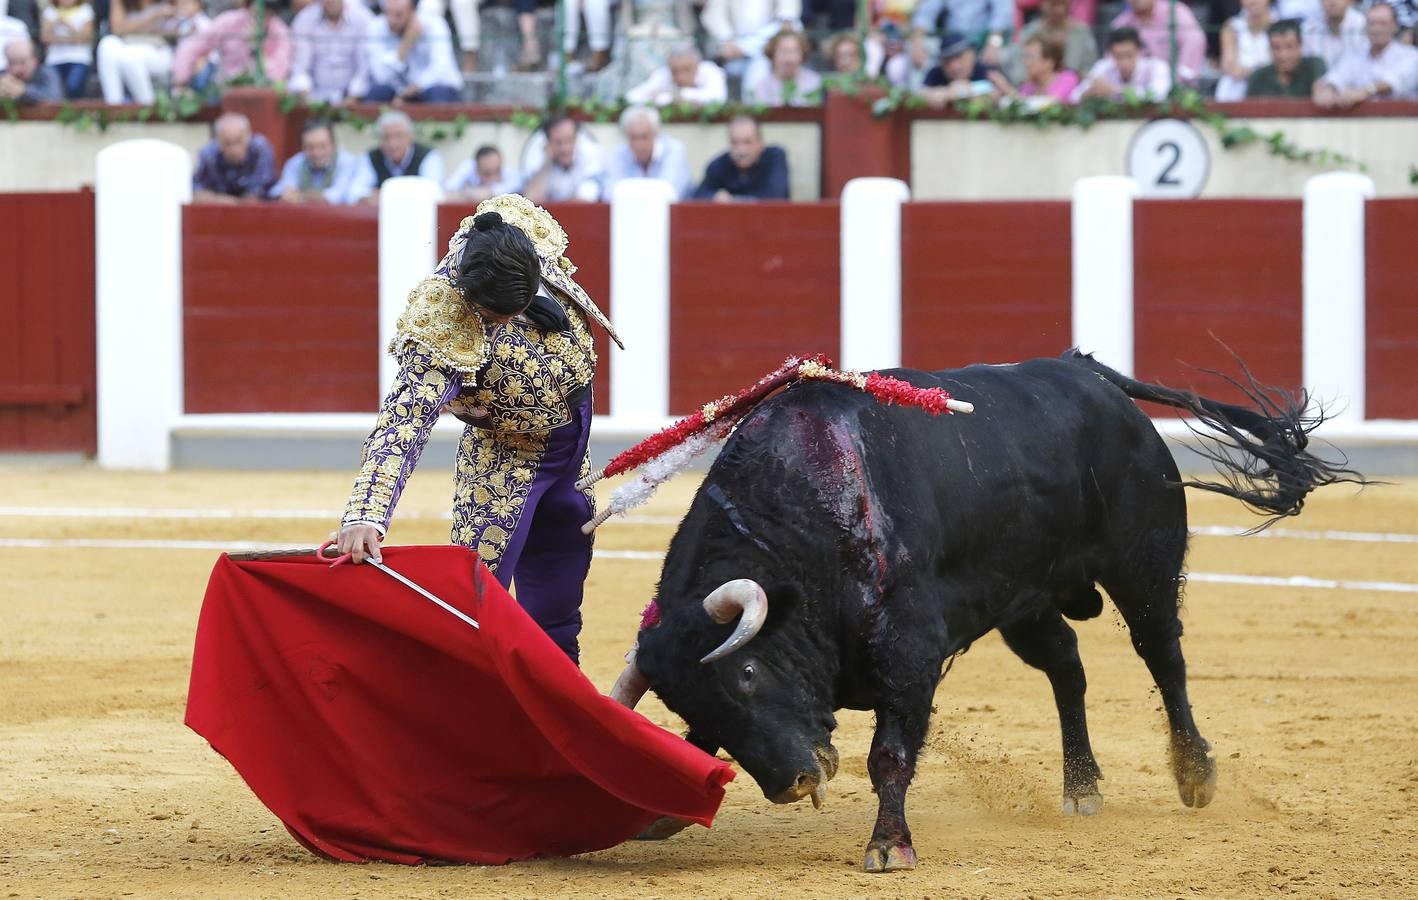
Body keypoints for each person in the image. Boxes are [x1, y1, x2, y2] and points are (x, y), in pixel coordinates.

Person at [335, 193, 623, 664]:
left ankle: (552, 725)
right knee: (474, 618)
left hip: (573, 461)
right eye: (497, 317)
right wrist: (365, 513)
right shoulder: (442, 322)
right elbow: (403, 422)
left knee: (558, 621)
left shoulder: (514, 232)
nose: (510, 320)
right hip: (505, 470)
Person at [172, 0, 292, 91]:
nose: (260, 15)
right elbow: (192, 46)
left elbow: (277, 75)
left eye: (267, 12)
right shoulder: (231, 21)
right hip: (226, 91)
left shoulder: (280, 32)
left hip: (262, 95)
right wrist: (181, 78)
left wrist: (256, 48)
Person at [1313, 1, 1418, 105]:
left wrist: (1365, 91)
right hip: (1361, 120)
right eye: (1372, 23)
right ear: (1365, 26)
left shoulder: (1411, 56)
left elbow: (1394, 81)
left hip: (1401, 119)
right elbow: (1336, 77)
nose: (1377, 29)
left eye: (1383, 23)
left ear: (1395, 26)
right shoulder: (1356, 55)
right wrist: (1328, 89)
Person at [363, 0, 463, 104]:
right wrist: (405, 44)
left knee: (439, 94)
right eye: (387, 13)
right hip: (397, 90)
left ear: (412, 12)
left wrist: (413, 89)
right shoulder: (377, 26)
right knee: (377, 92)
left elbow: (441, 68)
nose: (392, 20)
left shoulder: (434, 24)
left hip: (431, 88)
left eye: (398, 15)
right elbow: (381, 76)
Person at [348, 109, 446, 205]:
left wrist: (385, 195)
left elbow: (434, 192)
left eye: (398, 136)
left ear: (409, 137)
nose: (392, 143)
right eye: (386, 137)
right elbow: (354, 193)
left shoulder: (429, 156)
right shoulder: (370, 157)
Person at [288, 0, 373, 103]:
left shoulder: (363, 18)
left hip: (356, 98)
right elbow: (300, 68)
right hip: (313, 96)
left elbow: (364, 69)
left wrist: (352, 97)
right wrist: (307, 98)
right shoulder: (304, 19)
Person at [601, 105, 692, 201]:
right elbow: (610, 194)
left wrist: (628, 192)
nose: (639, 144)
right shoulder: (620, 153)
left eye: (644, 137)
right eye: (634, 137)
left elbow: (670, 193)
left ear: (656, 134)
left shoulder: (674, 150)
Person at [691, 115, 789, 201]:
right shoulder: (718, 165)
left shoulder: (775, 157)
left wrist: (732, 200)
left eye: (747, 142)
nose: (741, 150)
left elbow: (775, 197)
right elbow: (698, 196)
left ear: (760, 142)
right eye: (735, 142)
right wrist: (714, 197)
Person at [95, 0, 174, 104]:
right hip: (128, 47)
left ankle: (148, 107)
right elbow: (117, 29)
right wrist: (154, 16)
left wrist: (133, 26)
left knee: (129, 58)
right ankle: (114, 106)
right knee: (107, 43)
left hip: (159, 51)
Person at [1005, 0, 1097, 85]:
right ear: (1043, 5)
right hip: (1034, 88)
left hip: (1074, 90)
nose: (1059, 10)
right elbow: (1018, 64)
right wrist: (1029, 81)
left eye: (1062, 5)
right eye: (1054, 5)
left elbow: (1089, 67)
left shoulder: (1081, 31)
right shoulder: (1030, 32)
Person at [1110, 0, 1207, 81]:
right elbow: (1112, 64)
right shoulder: (1120, 24)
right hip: (1134, 91)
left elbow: (1195, 43)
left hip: (1177, 88)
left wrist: (1173, 81)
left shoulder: (1176, 12)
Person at [192, 112, 278, 203]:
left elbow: (263, 190)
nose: (234, 149)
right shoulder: (208, 154)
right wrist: (221, 200)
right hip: (219, 212)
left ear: (249, 135)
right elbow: (196, 191)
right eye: (227, 143)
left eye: (238, 141)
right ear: (218, 140)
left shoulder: (260, 148)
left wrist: (234, 202)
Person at [269, 119, 360, 204]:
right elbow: (277, 191)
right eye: (310, 147)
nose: (316, 152)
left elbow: (337, 196)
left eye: (322, 146)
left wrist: (301, 196)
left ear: (333, 145)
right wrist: (285, 194)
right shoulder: (295, 163)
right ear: (302, 147)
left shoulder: (347, 162)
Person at [1071, 26, 1172, 101]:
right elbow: (1074, 97)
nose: (1124, 62)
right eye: (1118, 56)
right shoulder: (1103, 67)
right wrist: (1088, 93)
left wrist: (1116, 90)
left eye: (1129, 55)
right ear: (1110, 53)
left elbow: (1158, 94)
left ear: (1140, 51)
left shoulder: (1157, 66)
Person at [520, 116, 604, 204]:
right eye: (558, 142)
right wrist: (546, 163)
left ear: (577, 138)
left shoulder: (592, 152)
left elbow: (587, 199)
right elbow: (529, 203)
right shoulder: (539, 154)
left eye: (569, 140)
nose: (565, 148)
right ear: (548, 143)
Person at [911, 0, 1016, 69]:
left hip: (983, 42)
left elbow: (1003, 14)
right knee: (915, 47)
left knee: (1004, 55)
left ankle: (1004, 97)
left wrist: (994, 44)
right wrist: (917, 42)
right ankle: (924, 94)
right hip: (953, 42)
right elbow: (926, 13)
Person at [624, 43, 729, 105]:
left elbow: (718, 98)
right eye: (675, 71)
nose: (680, 76)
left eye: (686, 69)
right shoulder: (663, 74)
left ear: (697, 66)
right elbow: (632, 97)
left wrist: (678, 95)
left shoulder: (710, 70)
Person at [744, 25, 822, 106]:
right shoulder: (761, 87)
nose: (789, 58)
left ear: (803, 54)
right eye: (783, 52)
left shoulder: (817, 83)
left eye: (794, 51)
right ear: (772, 54)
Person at [1247, 18, 1327, 96]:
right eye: (1276, 48)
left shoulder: (1314, 67)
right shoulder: (1258, 78)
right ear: (1269, 49)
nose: (1283, 55)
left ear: (1300, 46)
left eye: (1289, 47)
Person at [990, 33, 1079, 102]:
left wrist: (1007, 89)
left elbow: (1049, 104)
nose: (1026, 62)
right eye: (1025, 57)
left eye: (1031, 57)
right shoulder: (1028, 87)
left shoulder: (1068, 78)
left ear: (1049, 61)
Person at [1216, 0, 1274, 100]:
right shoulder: (1231, 26)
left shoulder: (1280, 26)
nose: (1252, 2)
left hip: (1268, 89)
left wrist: (1249, 72)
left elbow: (1278, 67)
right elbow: (1229, 66)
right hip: (1234, 90)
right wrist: (1259, 71)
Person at [920, 31, 995, 107]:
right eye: (947, 60)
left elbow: (1000, 94)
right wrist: (948, 92)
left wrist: (965, 91)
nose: (954, 66)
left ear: (971, 54)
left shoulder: (988, 71)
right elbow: (920, 95)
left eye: (958, 57)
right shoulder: (935, 73)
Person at [39, 0, 93, 100]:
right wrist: (72, 38)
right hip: (54, 60)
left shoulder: (85, 10)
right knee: (54, 91)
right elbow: (45, 37)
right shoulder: (50, 11)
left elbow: (86, 38)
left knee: (73, 87)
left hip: (79, 59)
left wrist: (68, 26)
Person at [1305, 0, 1366, 72]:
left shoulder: (1363, 26)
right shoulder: (1309, 29)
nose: (1332, 2)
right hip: (1320, 80)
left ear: (1350, 1)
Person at [444, 145, 521, 202]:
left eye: (497, 171)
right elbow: (447, 191)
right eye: (487, 173)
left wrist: (470, 194)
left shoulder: (511, 175)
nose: (493, 177)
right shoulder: (468, 168)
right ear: (476, 167)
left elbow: (515, 187)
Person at [0, 37, 61, 102]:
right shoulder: (3, 75)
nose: (16, 69)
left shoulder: (47, 73)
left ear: (35, 60)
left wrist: (23, 91)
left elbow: (54, 97)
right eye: (11, 63)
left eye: (22, 62)